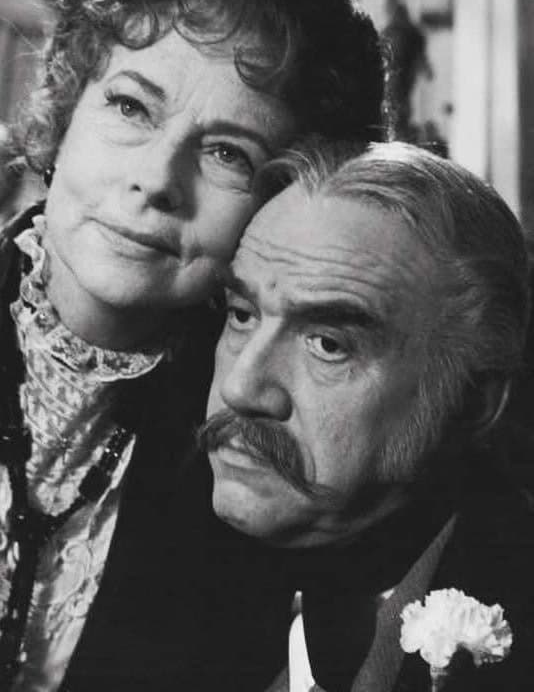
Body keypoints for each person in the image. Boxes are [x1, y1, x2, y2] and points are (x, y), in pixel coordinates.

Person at [0, 0, 385, 691]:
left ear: (281, 203)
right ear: (67, 111)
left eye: (226, 153)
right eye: (130, 106)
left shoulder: (266, 437)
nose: (155, 180)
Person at [200, 140, 534, 691]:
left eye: (328, 344)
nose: (240, 388)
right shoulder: (172, 568)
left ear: (472, 402)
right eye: (241, 315)